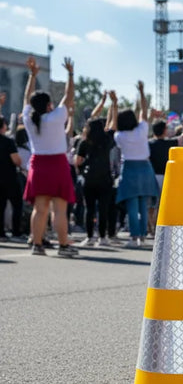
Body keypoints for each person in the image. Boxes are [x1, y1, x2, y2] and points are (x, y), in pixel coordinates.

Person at [21, 56, 77, 257]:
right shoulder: (56, 117)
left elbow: (27, 99)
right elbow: (68, 97)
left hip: (38, 164)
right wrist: (70, 74)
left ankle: (37, 244)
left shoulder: (28, 118)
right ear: (48, 105)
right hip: (57, 164)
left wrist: (32, 76)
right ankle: (63, 246)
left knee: (40, 208)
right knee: (59, 209)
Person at [108, 82, 162, 249]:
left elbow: (114, 125)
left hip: (130, 168)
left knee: (132, 205)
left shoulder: (120, 136)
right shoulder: (142, 130)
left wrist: (114, 104)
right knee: (143, 205)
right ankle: (144, 236)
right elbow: (143, 113)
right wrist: (141, 92)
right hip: (146, 168)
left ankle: (134, 236)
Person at [74, 93, 115, 246]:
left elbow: (77, 161)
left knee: (89, 209)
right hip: (105, 178)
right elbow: (112, 125)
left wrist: (82, 168)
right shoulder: (107, 140)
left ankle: (90, 236)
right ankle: (103, 238)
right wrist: (113, 106)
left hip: (89, 179)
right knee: (103, 209)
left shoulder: (85, 142)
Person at [0, 109, 24, 239]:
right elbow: (16, 160)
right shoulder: (8, 142)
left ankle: (1, 232)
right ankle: (16, 231)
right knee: (17, 204)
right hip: (9, 177)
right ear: (3, 126)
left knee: (1, 205)